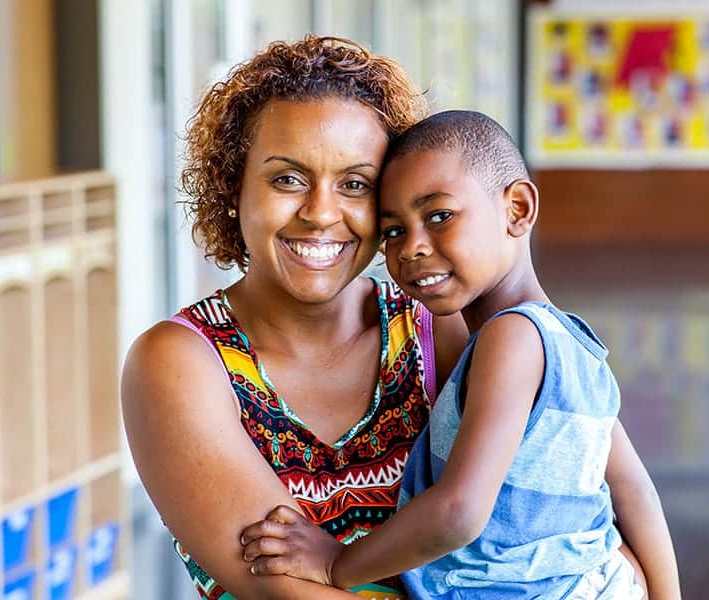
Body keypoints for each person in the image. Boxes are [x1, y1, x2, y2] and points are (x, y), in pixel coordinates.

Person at [240, 111, 682, 599]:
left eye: (438, 216)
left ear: (516, 208)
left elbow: (459, 513)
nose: (412, 248)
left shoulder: (510, 340)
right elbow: (635, 491)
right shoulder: (575, 343)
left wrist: (335, 563)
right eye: (393, 231)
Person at [120, 37, 468, 599]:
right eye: (288, 179)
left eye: (355, 184)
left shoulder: (436, 327)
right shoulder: (181, 363)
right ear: (234, 188)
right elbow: (284, 591)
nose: (321, 213)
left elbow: (582, 491)